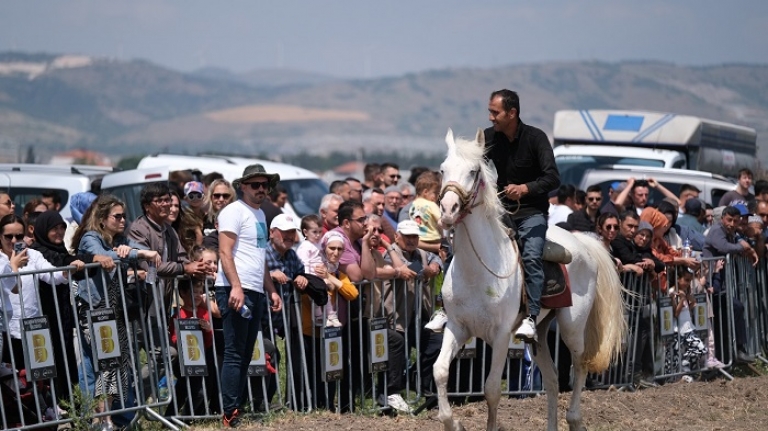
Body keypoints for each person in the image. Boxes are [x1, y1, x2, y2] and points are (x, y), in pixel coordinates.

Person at [75, 195, 161, 430]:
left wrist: (131, 249)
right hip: (94, 309)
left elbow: (141, 248)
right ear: (102, 219)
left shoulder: (119, 238)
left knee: (114, 362)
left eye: (124, 216)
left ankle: (110, 418)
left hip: (114, 309)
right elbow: (108, 257)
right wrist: (134, 254)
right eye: (117, 216)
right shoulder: (90, 238)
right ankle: (102, 420)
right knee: (107, 362)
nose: (123, 220)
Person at [484, 89, 560, 341]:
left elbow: (552, 177)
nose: (491, 117)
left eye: (495, 112)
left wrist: (525, 188)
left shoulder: (536, 138)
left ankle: (531, 315)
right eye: (490, 112)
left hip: (532, 213)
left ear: (512, 113)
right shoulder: (487, 138)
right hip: (499, 212)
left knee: (530, 255)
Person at [215, 164, 283, 428]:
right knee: (234, 352)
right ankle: (229, 410)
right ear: (242, 186)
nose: (261, 189)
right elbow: (224, 252)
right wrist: (235, 286)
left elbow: (260, 256)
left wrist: (271, 290)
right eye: (255, 185)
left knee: (245, 353)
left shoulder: (260, 215)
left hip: (253, 289)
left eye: (264, 185)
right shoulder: (233, 211)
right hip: (234, 288)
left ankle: (235, 407)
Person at [165, 278, 221, 418]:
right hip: (185, 360)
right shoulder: (178, 315)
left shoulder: (205, 313)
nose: (197, 295)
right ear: (183, 293)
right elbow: (174, 340)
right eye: (193, 292)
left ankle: (188, 416)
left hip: (202, 359)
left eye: (200, 292)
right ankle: (170, 416)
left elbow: (208, 344)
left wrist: (208, 330)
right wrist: (186, 332)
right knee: (184, 387)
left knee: (202, 390)